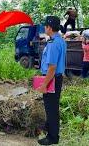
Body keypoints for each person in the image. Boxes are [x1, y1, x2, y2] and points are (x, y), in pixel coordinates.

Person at [36, 16, 67, 145]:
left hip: (51, 79)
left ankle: (53, 138)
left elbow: (52, 67)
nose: (44, 28)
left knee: (51, 109)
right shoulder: (59, 40)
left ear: (49, 27)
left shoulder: (54, 44)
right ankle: (49, 129)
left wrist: (44, 84)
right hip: (55, 78)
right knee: (52, 107)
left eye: (45, 26)